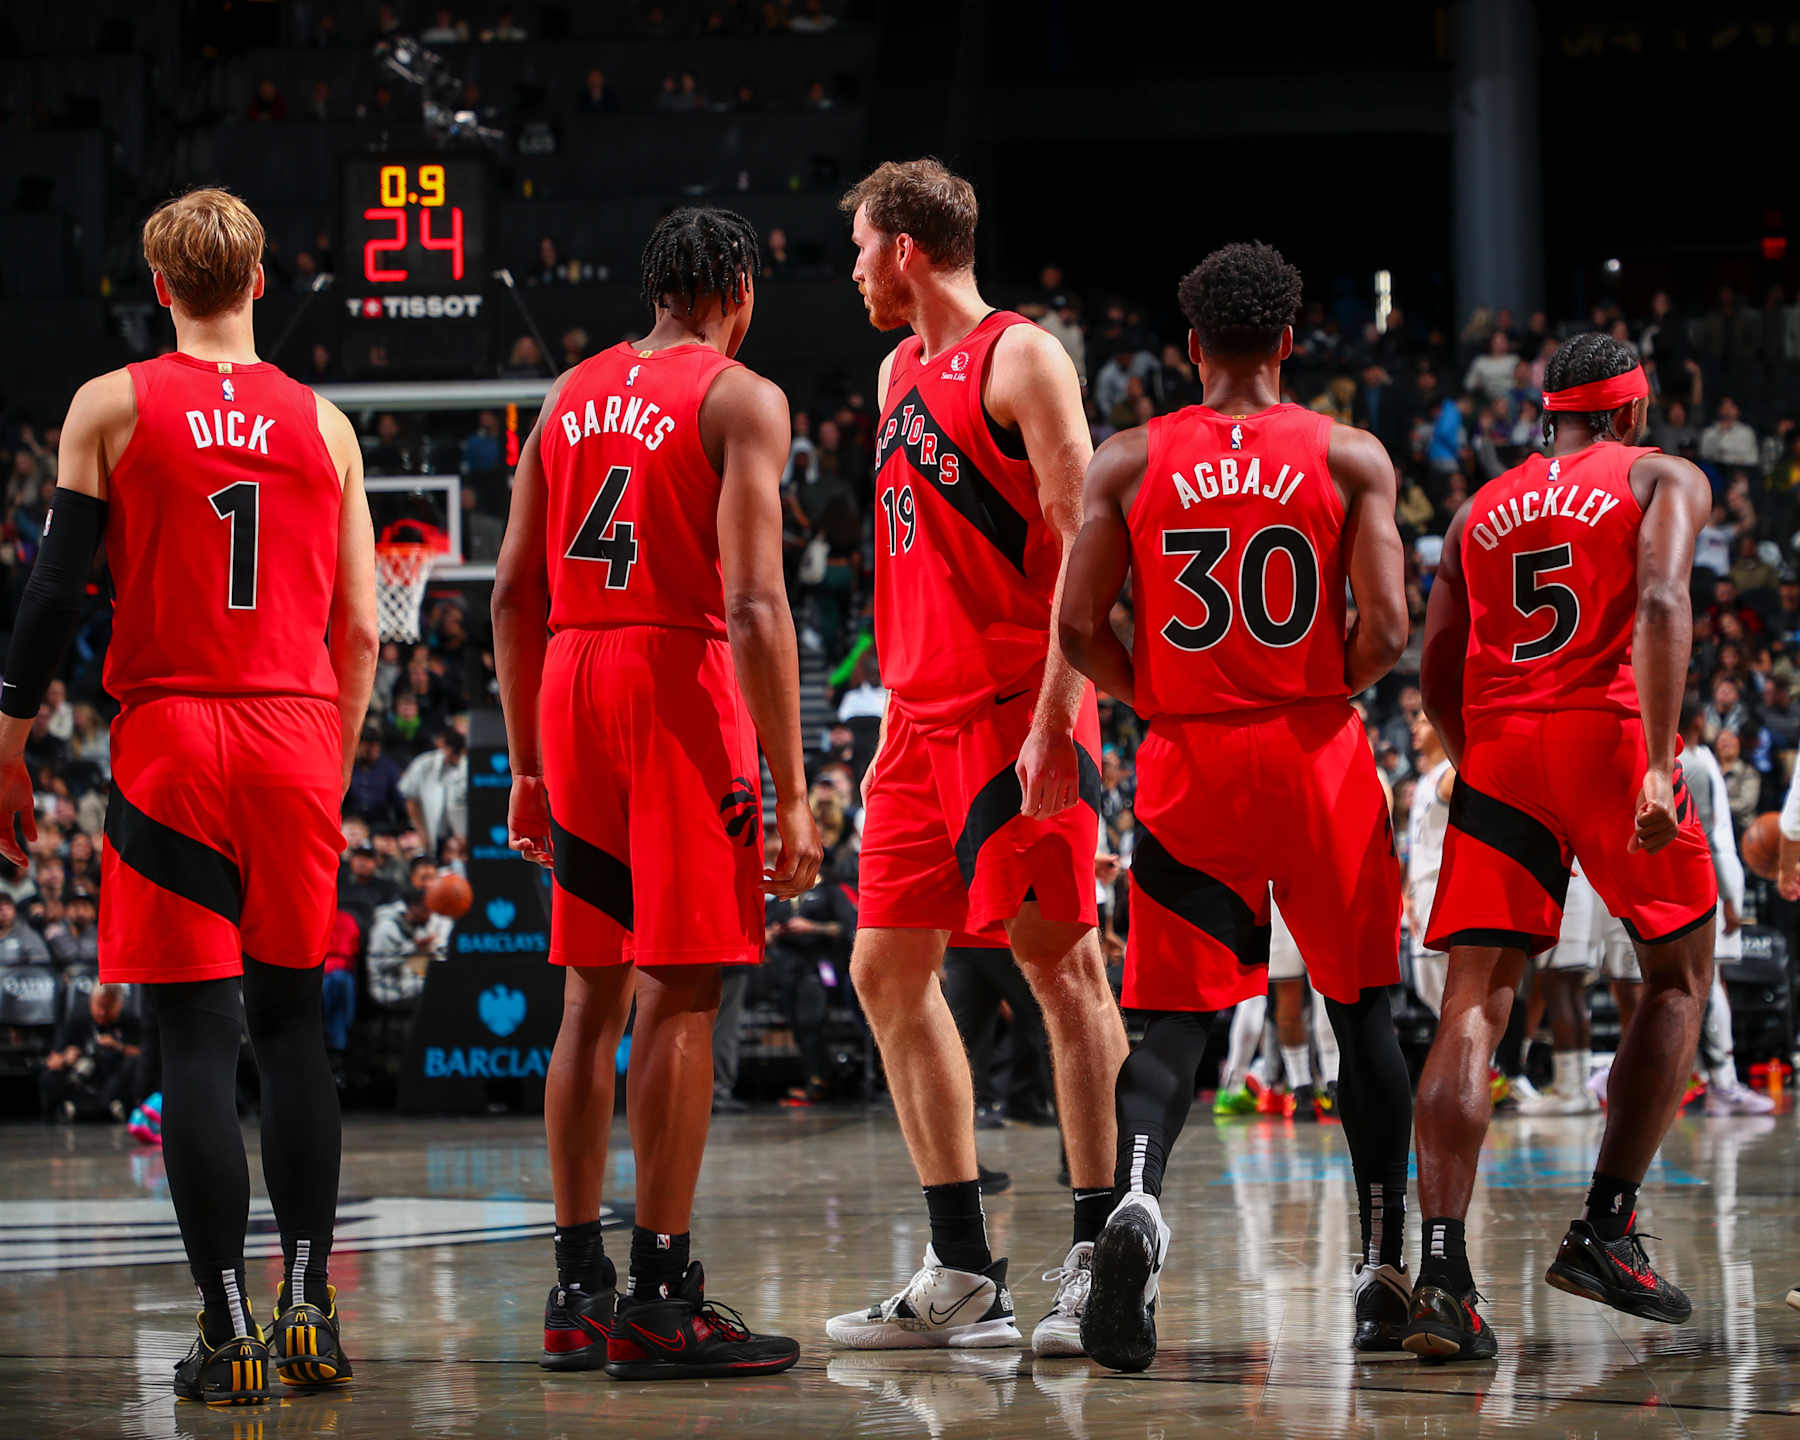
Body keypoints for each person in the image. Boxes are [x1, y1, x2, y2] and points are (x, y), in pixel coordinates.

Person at [0, 189, 378, 1402]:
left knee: (198, 1040)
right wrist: (329, 760)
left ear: (160, 288)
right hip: (295, 735)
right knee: (294, 1032)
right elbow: (364, 630)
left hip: (170, 739)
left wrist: (10, 740)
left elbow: (53, 594)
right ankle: (309, 1307)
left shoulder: (110, 404)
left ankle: (228, 1334)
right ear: (261, 281)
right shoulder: (326, 425)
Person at [1058, 241, 1413, 1372]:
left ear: (1191, 348)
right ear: (1291, 341)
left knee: (1173, 1017)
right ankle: (1384, 1271)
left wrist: (1155, 694)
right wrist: (1318, 687)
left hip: (1190, 757)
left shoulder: (1127, 461)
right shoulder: (1350, 455)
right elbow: (1389, 629)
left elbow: (1076, 628)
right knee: (1362, 1014)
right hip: (1316, 754)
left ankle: (1137, 1202)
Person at [493, 207, 820, 1381]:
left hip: (572, 679)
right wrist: (794, 788)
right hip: (675, 681)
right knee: (680, 991)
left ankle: (576, 1288)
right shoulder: (741, 397)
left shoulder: (566, 394)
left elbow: (510, 593)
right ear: (737, 288)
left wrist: (525, 766)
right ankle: (660, 1293)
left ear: (654, 287)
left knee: (587, 997)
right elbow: (755, 605)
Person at [822, 160, 1129, 1359]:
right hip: (917, 720)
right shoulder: (896, 371)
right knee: (886, 971)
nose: (852, 271)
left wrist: (1056, 723)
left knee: (1062, 971)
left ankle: (1102, 1258)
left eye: (860, 247)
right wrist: (892, 721)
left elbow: (1082, 553)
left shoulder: (1024, 358)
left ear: (904, 248)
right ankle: (962, 1270)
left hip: (1017, 710)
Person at [1407, 333, 1716, 1362]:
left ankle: (1442, 1276)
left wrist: (1483, 764)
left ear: (1553, 413)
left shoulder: (1476, 509)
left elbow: (1434, 669)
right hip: (1611, 736)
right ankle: (1606, 1231)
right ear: (1631, 412)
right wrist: (1658, 763)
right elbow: (1662, 600)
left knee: (1473, 1000)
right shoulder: (1662, 475)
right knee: (1677, 975)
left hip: (1500, 748)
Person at [1407, 710, 1455, 1016]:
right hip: (1422, 888)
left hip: (1441, 886)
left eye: (1423, 722)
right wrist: (1408, 893)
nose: (1415, 728)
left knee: (1442, 983)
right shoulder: (1426, 778)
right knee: (1428, 987)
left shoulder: (1452, 773)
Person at [39, 981, 142, 1120]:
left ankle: (105, 1108)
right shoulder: (78, 1020)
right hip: (84, 1080)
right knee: (49, 1076)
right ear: (91, 1002)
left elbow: (144, 1055)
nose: (102, 1013)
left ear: (119, 1004)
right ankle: (76, 1109)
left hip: (114, 1080)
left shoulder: (131, 1021)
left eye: (108, 1007)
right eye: (99, 1006)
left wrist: (118, 1047)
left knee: (134, 1065)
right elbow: (52, 1061)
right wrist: (66, 1058)